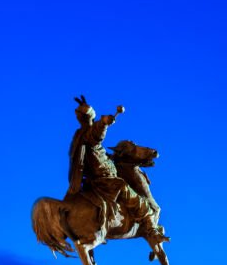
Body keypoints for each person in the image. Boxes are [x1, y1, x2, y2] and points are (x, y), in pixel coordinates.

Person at [67, 96, 164, 239]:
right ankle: (146, 219)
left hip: (97, 177)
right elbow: (97, 136)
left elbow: (99, 152)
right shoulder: (88, 133)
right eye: (87, 117)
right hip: (103, 180)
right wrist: (104, 123)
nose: (86, 120)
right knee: (123, 186)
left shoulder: (80, 135)